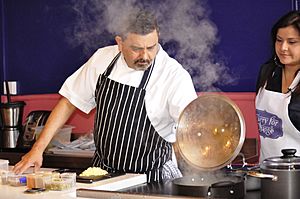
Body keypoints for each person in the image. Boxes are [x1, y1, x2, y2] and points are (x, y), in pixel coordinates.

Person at [12, 9, 197, 182]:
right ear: (119, 42)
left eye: (151, 47)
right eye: (136, 48)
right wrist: (37, 149)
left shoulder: (173, 75)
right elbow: (69, 101)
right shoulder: (102, 60)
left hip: (152, 177)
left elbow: (191, 126)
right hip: (104, 174)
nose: (145, 56)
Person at [256, 11, 300, 162]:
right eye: (279, 40)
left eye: (292, 42)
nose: (283, 48)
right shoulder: (267, 72)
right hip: (266, 171)